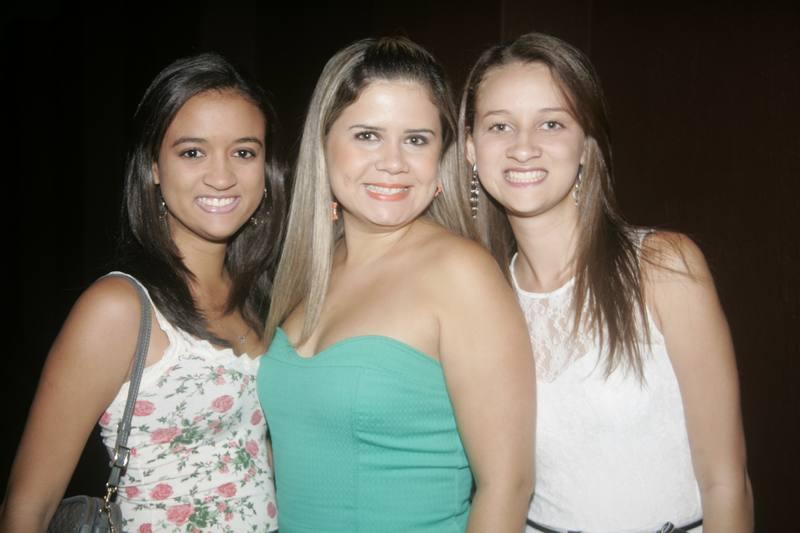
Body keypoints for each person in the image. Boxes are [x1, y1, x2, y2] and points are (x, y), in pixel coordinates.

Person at [460, 32, 753, 533]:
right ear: (471, 148)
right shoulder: (481, 299)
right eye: (500, 125)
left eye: (551, 123)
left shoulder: (662, 267)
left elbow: (726, 482)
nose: (523, 147)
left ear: (585, 143)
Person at [257, 37, 535, 532]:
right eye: (367, 135)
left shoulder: (461, 274)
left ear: (441, 157)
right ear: (324, 144)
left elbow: (507, 486)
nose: (393, 162)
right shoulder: (307, 270)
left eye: (416, 139)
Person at [0, 52, 285, 532]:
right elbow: (29, 507)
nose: (221, 176)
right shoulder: (120, 308)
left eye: (243, 152)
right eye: (192, 152)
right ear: (153, 166)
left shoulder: (265, 300)